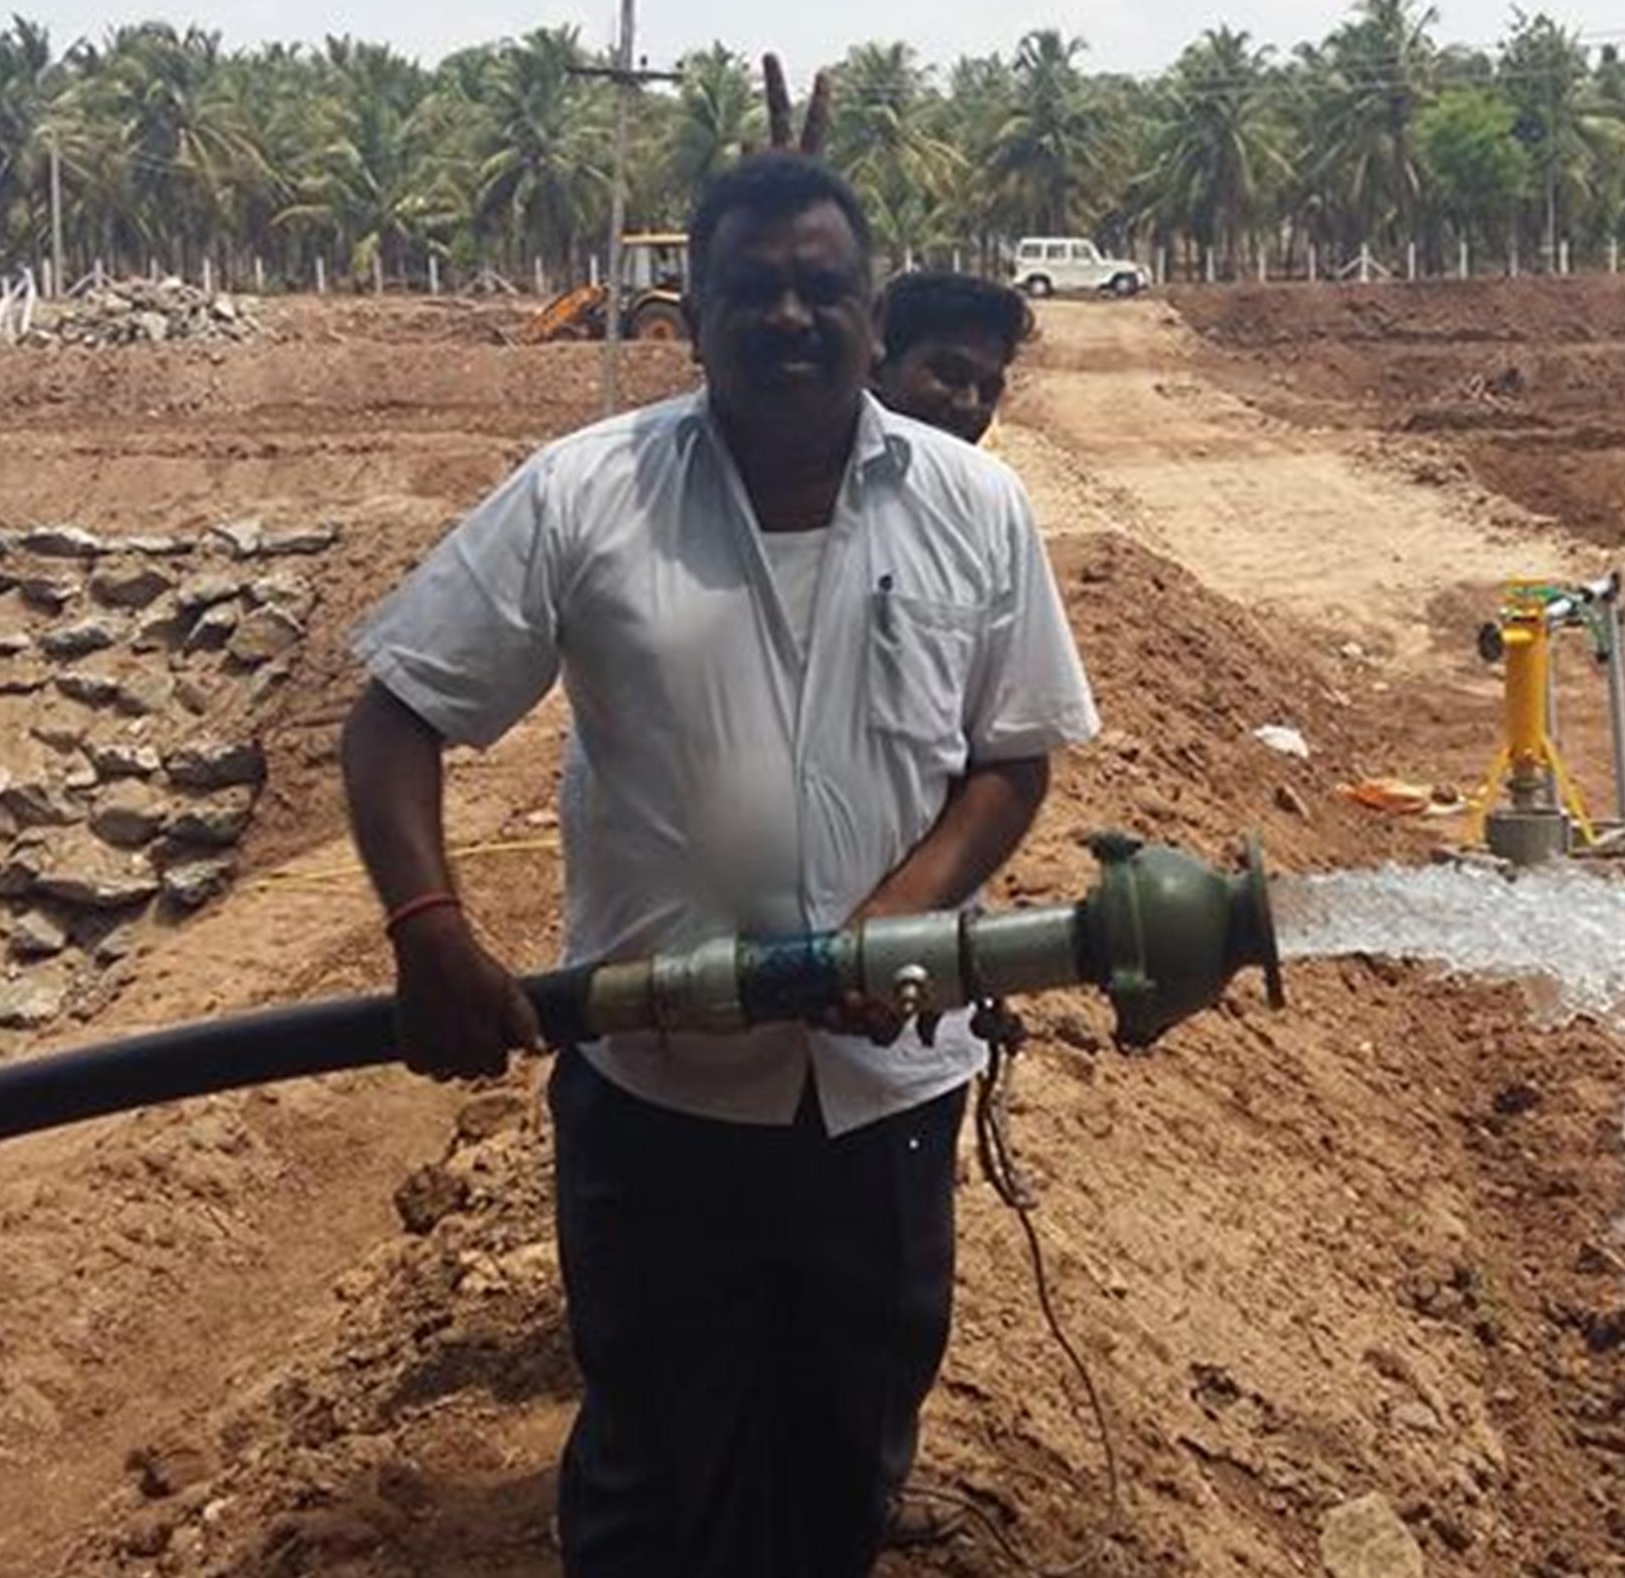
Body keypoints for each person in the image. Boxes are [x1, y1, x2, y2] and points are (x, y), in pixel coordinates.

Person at [341, 151, 1100, 1578]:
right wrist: (428, 927)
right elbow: (395, 718)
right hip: (657, 1094)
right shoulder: (585, 498)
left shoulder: (971, 508)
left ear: (870, 315)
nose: (791, 319)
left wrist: (903, 912)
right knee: (651, 1465)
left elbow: (1013, 762)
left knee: (846, 1449)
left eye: (823, 289)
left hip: (885, 1100)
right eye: (753, 292)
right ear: (694, 321)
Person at [873, 269, 1034, 445]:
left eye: (989, 390)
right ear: (876, 365)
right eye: (952, 376)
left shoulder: (977, 471)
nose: (971, 403)